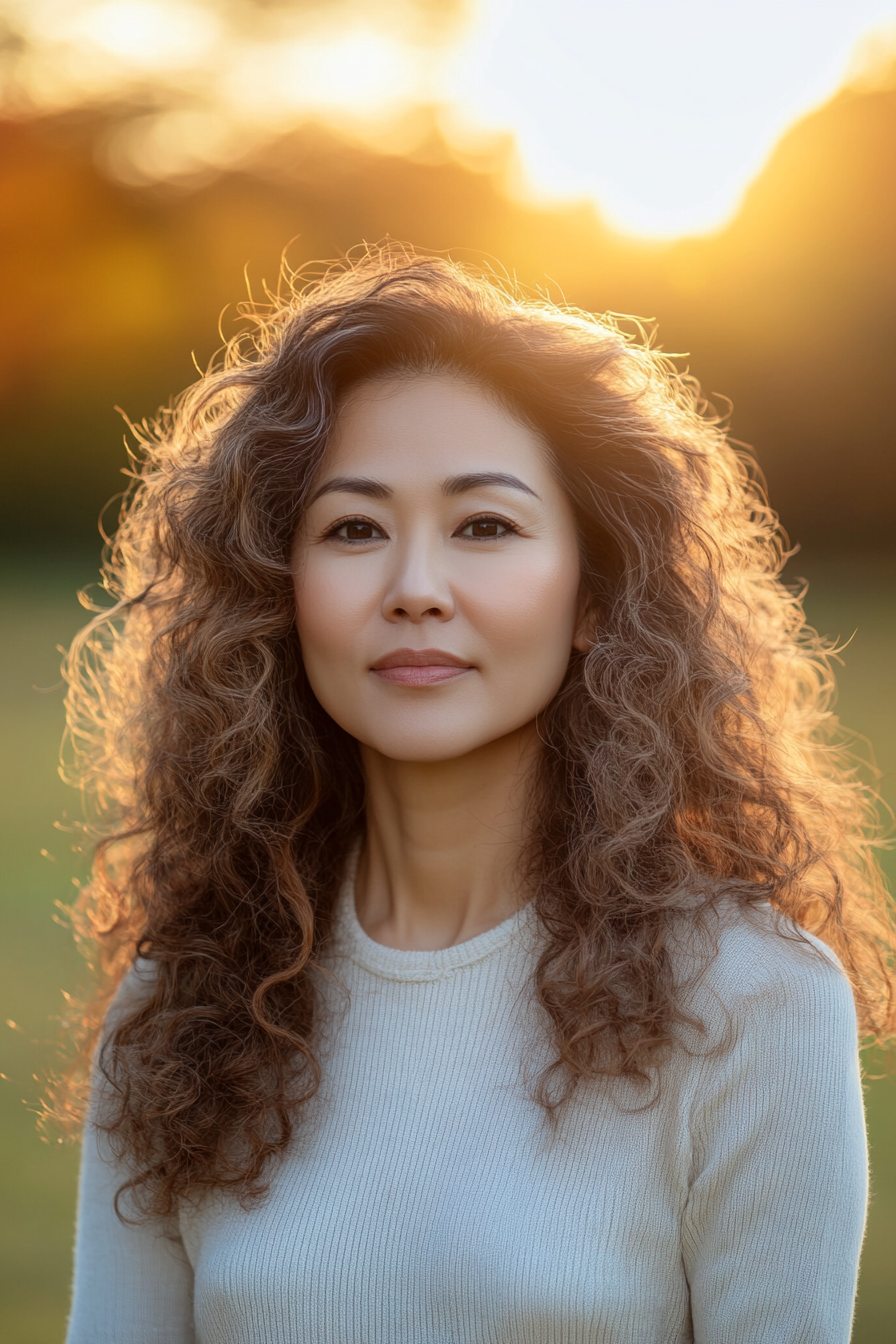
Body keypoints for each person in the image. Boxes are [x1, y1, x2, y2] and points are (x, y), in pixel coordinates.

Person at [57, 247, 894, 1343]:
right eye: (353, 529)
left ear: (594, 595)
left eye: (484, 527)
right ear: (280, 593)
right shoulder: (182, 1006)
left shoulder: (751, 998)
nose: (413, 589)